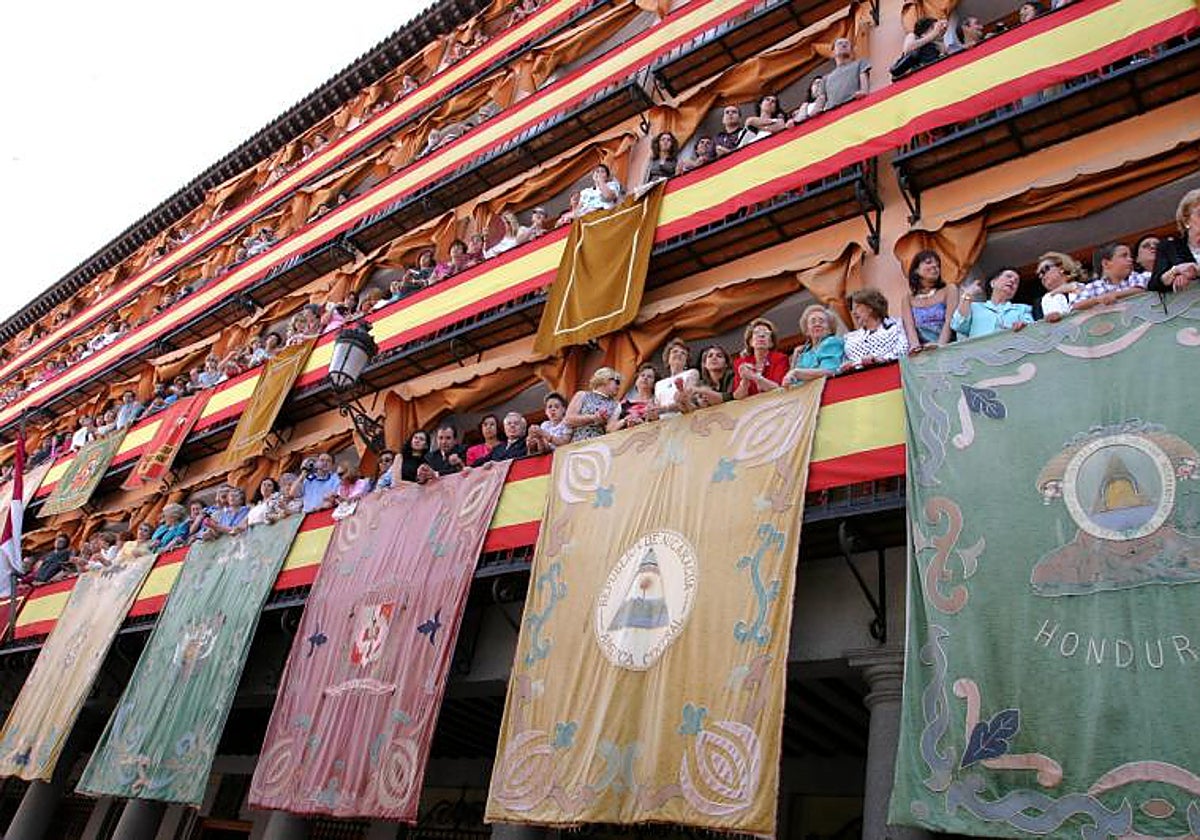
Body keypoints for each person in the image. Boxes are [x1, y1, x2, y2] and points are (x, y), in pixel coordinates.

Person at [952, 269, 1034, 338]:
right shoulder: (974, 307)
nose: (1012, 280)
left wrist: (1023, 327)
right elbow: (958, 325)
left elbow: (1032, 331)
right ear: (993, 283)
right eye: (1008, 276)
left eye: (1016, 281)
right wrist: (967, 294)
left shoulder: (1022, 309)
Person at [843, 288, 912, 367]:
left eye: (857, 307)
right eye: (852, 309)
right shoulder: (850, 338)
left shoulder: (896, 326)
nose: (853, 312)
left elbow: (903, 350)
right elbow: (848, 361)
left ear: (871, 307)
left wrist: (879, 359)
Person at [1149, 189, 1200, 293]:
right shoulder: (1169, 247)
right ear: (1186, 220)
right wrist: (1175, 272)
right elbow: (1154, 284)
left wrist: (1194, 271)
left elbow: (1192, 271)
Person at [906, 250, 958, 346]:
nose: (935, 266)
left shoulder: (949, 289)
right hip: (925, 352)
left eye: (938, 265)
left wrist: (940, 347)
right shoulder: (908, 299)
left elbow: (949, 322)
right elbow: (910, 329)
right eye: (929, 262)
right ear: (916, 270)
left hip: (948, 347)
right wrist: (917, 350)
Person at [1073, 243, 1147, 310]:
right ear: (1106, 263)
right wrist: (1097, 300)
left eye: (1130, 256)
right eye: (1124, 256)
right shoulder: (1092, 287)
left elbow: (1141, 290)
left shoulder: (1136, 276)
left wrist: (1114, 295)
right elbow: (1075, 306)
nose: (1130, 259)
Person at [784, 305, 844, 385]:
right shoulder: (805, 352)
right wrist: (795, 358)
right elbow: (791, 381)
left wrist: (796, 372)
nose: (817, 324)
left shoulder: (832, 342)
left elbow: (830, 370)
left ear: (830, 329)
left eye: (821, 321)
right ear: (807, 330)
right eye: (813, 321)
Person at [732, 319, 789, 398]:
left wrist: (754, 377)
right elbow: (737, 396)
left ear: (771, 343)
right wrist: (745, 381)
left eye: (766, 333)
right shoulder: (740, 363)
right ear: (751, 341)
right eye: (756, 333)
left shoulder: (780, 359)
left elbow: (779, 388)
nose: (761, 335)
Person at [565, 368, 626, 441]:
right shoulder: (582, 395)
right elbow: (568, 420)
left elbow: (609, 430)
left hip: (599, 447)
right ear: (605, 379)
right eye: (617, 382)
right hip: (578, 445)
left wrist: (625, 420)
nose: (619, 387)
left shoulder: (616, 405)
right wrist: (593, 418)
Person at [654, 338, 699, 417]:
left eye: (683, 353)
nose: (679, 354)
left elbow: (688, 399)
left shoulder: (692, 373)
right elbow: (656, 408)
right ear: (668, 359)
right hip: (663, 425)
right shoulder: (658, 384)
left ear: (686, 361)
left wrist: (664, 409)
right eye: (675, 352)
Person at [1036, 251, 1087, 321]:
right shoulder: (1039, 304)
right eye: (1039, 274)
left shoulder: (1088, 287)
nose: (1041, 276)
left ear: (1061, 267)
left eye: (1045, 269)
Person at [823, 38, 871, 111]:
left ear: (851, 50)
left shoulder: (860, 63)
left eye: (847, 43)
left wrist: (864, 92)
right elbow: (821, 99)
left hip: (854, 106)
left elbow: (864, 89)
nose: (844, 45)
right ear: (833, 52)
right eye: (840, 43)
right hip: (832, 113)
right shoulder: (826, 78)